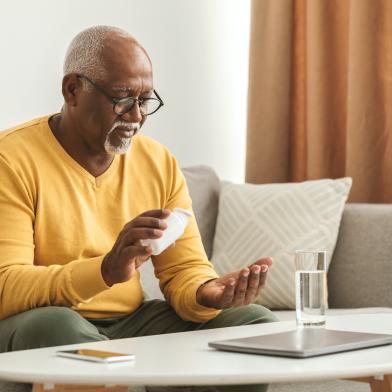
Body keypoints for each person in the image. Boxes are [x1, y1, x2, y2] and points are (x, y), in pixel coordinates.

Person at [0, 26, 277, 391]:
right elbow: (7, 285)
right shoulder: (12, 159)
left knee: (256, 324)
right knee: (60, 328)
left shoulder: (157, 161)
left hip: (130, 322)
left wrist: (207, 292)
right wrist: (104, 270)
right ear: (72, 90)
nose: (136, 116)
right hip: (40, 322)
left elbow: (184, 269)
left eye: (145, 100)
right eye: (122, 98)